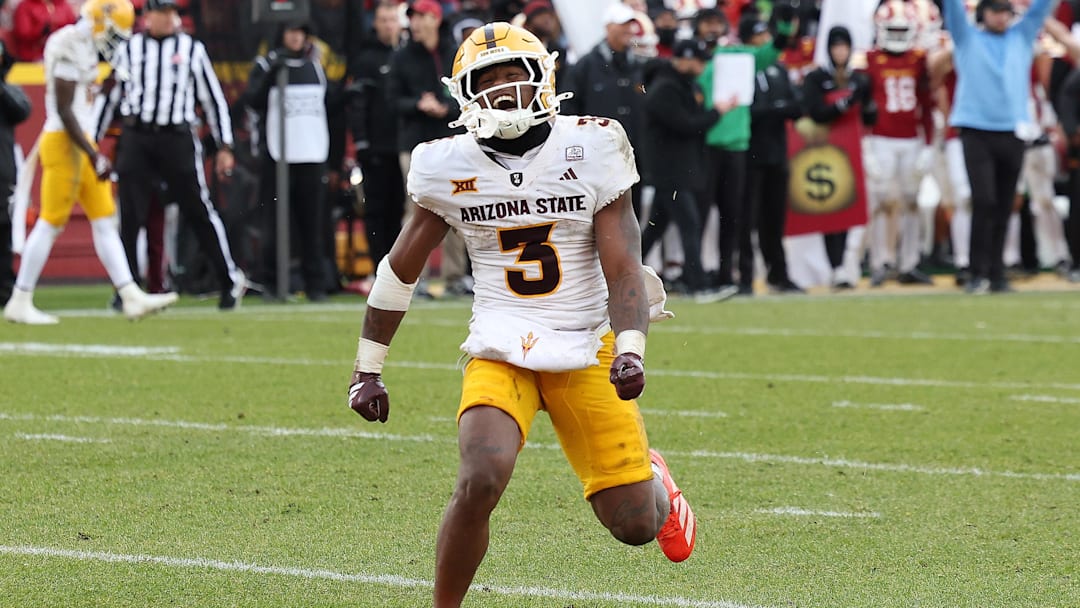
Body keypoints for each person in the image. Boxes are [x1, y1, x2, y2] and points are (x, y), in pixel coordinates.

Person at [346, 22, 697, 607]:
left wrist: (630, 349)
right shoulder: (446, 164)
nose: (503, 90)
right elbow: (399, 271)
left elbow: (623, 267)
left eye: (514, 75)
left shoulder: (593, 145)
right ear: (465, 94)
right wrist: (367, 368)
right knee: (480, 477)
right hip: (502, 341)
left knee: (635, 522)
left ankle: (656, 479)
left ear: (544, 80)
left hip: (585, 340)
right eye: (488, 81)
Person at [3, 0, 178, 325]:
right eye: (114, 33)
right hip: (66, 143)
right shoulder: (70, 45)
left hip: (80, 142)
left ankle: (130, 295)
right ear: (101, 23)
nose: (115, 41)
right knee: (51, 222)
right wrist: (93, 153)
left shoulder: (86, 45)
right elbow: (65, 110)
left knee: (103, 220)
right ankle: (20, 299)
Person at [95, 0, 246, 309]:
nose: (170, 18)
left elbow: (213, 99)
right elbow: (110, 96)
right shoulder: (129, 49)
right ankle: (126, 288)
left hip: (177, 137)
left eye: (173, 12)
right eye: (163, 12)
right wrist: (92, 140)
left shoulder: (192, 49)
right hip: (137, 136)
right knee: (130, 215)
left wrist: (225, 146)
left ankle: (227, 280)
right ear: (148, 16)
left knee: (198, 209)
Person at [942, 0, 1053, 293]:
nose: (1001, 17)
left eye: (1005, 12)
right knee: (984, 200)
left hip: (1013, 131)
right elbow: (952, 8)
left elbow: (1041, 8)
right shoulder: (967, 36)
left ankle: (997, 274)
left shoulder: (1021, 36)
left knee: (1005, 205)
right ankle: (976, 272)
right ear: (983, 13)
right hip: (975, 130)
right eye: (995, 11)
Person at [240, 20, 330, 302]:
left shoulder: (315, 66)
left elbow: (326, 104)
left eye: (300, 32)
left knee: (311, 224)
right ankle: (270, 281)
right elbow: (252, 100)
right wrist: (270, 76)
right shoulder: (266, 65)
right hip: (277, 155)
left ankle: (315, 284)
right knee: (274, 223)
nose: (296, 37)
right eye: (290, 31)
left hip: (312, 153)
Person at [640, 37, 733, 301]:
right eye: (699, 61)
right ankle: (698, 285)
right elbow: (686, 125)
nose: (703, 66)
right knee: (689, 224)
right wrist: (717, 113)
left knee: (656, 228)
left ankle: (620, 275)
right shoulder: (665, 89)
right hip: (669, 171)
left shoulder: (686, 86)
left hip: (679, 169)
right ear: (684, 60)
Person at [862, 0, 936, 288]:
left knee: (912, 201)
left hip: (911, 139)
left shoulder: (919, 59)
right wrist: (865, 144)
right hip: (881, 137)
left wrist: (928, 145)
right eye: (891, 30)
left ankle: (910, 262)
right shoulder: (869, 60)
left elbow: (927, 104)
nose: (896, 35)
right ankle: (881, 261)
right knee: (881, 201)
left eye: (901, 30)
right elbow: (862, 106)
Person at [801, 25, 877, 289]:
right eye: (836, 46)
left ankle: (848, 264)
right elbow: (814, 111)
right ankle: (834, 266)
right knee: (831, 206)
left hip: (853, 148)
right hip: (826, 149)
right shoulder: (817, 78)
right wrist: (844, 104)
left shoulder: (859, 79)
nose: (840, 52)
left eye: (844, 46)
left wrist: (868, 105)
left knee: (854, 207)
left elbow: (869, 117)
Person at [745, 17, 803, 294]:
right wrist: (775, 109)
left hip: (777, 153)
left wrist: (772, 109)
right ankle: (744, 275)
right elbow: (746, 111)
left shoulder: (779, 70)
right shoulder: (744, 68)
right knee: (747, 219)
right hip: (749, 154)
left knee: (775, 219)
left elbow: (796, 105)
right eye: (758, 35)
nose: (764, 40)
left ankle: (778, 274)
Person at [346, 0, 405, 274]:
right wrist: (362, 142)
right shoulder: (366, 59)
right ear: (375, 24)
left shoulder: (407, 55)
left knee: (401, 210)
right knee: (376, 209)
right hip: (377, 147)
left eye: (393, 20)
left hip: (404, 145)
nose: (389, 26)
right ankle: (378, 267)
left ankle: (399, 268)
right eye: (384, 20)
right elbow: (358, 104)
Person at [0, 42, 30, 304]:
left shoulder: (8, 90)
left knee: (2, 228)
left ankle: (4, 289)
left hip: (2, 168)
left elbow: (22, 110)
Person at [11, 0, 77, 62]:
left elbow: (73, 26)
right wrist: (41, 30)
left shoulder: (62, 4)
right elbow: (23, 33)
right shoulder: (25, 6)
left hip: (63, 53)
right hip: (35, 55)